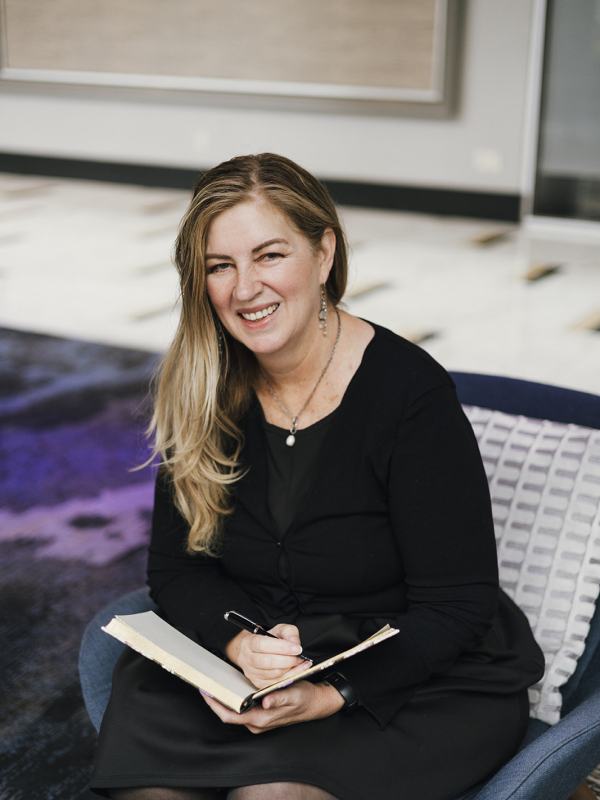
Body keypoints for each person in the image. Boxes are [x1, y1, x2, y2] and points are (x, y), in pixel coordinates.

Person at [89, 153, 545, 800]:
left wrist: (332, 693)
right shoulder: (201, 385)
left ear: (323, 252)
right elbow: (176, 570)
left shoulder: (410, 396)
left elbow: (457, 606)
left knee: (274, 798)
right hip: (245, 665)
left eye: (270, 256)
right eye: (221, 266)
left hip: (403, 679)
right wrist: (238, 644)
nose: (245, 289)